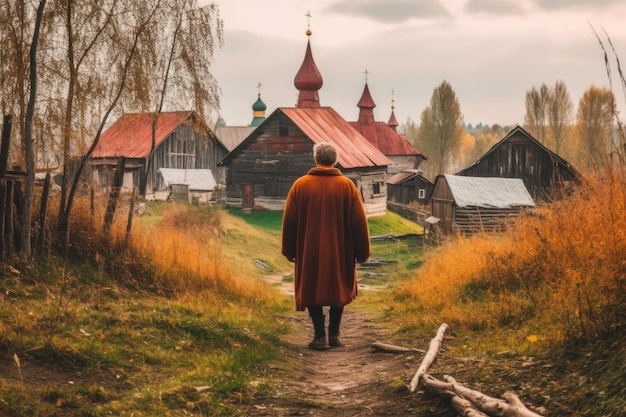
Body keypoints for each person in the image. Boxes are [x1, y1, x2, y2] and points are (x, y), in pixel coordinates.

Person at [281, 142, 371, 350]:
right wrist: (362, 252)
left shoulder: (300, 185)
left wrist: (289, 250)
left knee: (313, 288)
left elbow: (290, 221)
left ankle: (319, 335)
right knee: (338, 289)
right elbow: (359, 222)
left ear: (316, 159)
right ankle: (335, 334)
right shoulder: (347, 186)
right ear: (335, 160)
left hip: (309, 249)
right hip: (341, 250)